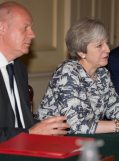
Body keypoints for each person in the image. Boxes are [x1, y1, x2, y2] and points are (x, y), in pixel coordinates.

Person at [36, 18, 119, 134]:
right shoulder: (67, 72)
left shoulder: (103, 73)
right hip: (53, 141)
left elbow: (115, 108)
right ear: (81, 52)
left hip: (86, 140)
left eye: (106, 43)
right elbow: (77, 125)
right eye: (99, 45)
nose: (107, 49)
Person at [0, 1, 69, 142]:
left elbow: (22, 121)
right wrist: (31, 132)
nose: (32, 34)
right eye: (26, 28)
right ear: (2, 28)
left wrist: (47, 127)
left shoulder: (19, 68)